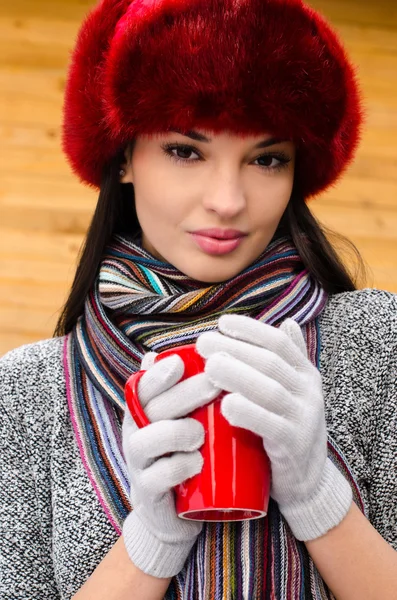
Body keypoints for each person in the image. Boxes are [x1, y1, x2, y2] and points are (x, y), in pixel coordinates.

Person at [0, 0, 396, 598]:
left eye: (267, 158)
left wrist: (320, 498)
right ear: (125, 155)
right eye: (186, 151)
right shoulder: (26, 395)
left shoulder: (378, 341)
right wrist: (151, 541)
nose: (228, 199)